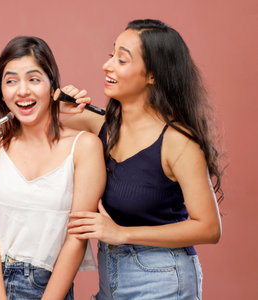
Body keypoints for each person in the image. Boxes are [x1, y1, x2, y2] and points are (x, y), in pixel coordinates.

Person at [58, 19, 223, 299]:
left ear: (153, 76)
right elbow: (26, 123)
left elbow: (209, 228)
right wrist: (55, 106)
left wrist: (122, 233)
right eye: (112, 55)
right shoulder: (100, 124)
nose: (107, 66)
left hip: (162, 278)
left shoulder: (177, 140)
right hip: (112, 277)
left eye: (122, 60)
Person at [0, 36, 106, 300]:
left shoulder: (84, 147)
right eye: (11, 81)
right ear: (1, 92)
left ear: (52, 87)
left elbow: (76, 239)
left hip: (46, 288)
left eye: (34, 79)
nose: (22, 91)